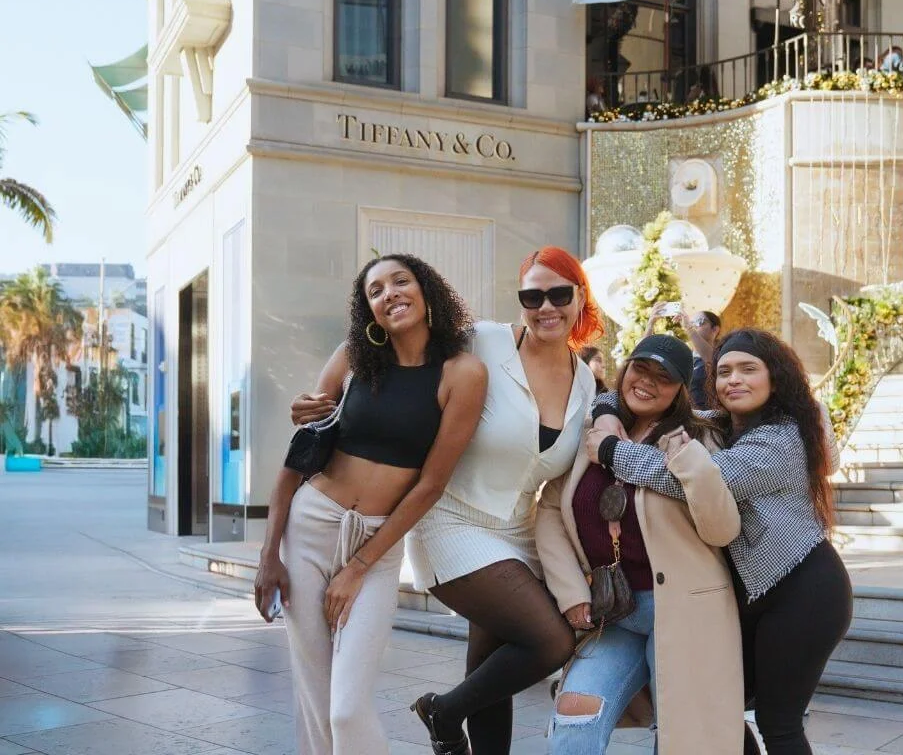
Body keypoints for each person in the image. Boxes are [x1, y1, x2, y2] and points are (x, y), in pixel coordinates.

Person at [291, 247, 603, 755]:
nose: (546, 306)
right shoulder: (481, 342)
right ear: (520, 301)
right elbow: (390, 345)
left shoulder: (586, 382)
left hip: (518, 533)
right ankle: (442, 710)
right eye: (532, 295)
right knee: (549, 642)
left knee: (491, 668)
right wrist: (320, 394)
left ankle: (457, 715)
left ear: (580, 297)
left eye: (559, 294)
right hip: (451, 520)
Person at [255, 254, 487, 755]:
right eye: (375, 290)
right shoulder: (353, 358)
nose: (389, 294)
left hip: (378, 544)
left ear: (428, 293)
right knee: (316, 699)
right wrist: (268, 555)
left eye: (400, 281)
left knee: (346, 705)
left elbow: (430, 484)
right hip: (310, 525)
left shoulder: (462, 373)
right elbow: (299, 456)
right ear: (369, 311)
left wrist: (359, 565)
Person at [589, 328, 850, 755]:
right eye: (725, 371)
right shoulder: (723, 425)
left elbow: (698, 481)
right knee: (712, 709)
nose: (734, 380)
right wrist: (605, 407)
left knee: (778, 723)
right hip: (751, 595)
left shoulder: (782, 438)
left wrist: (611, 450)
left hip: (805, 592)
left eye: (749, 369)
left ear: (775, 378)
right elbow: (652, 405)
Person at [536, 334, 744, 754]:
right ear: (625, 368)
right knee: (575, 717)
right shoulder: (593, 433)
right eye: (640, 368)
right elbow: (550, 511)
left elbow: (722, 530)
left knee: (679, 737)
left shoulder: (699, 439)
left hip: (684, 611)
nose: (647, 383)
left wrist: (691, 465)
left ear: (681, 389)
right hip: (612, 613)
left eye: (663, 378)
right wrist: (571, 593)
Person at [644, 302, 722, 409]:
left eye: (699, 322)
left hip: (709, 416)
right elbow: (645, 358)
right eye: (691, 322)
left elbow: (710, 360)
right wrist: (650, 325)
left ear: (715, 329)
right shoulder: (685, 356)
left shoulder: (722, 353)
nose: (693, 325)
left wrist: (688, 327)